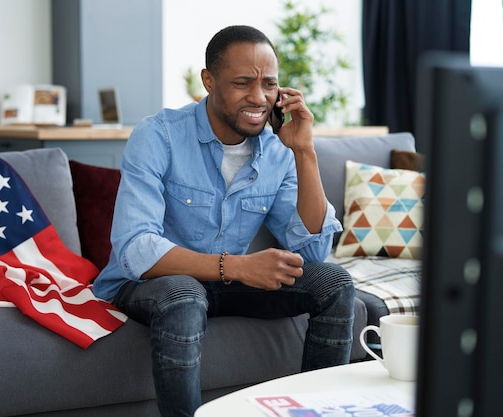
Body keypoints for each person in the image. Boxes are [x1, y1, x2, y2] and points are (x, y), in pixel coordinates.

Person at [92, 25, 355, 417]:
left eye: (269, 84)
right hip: (150, 285)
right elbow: (136, 249)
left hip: (227, 282)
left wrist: (305, 151)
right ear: (209, 81)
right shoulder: (158, 135)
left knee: (335, 284)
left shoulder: (279, 150)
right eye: (242, 83)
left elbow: (314, 251)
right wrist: (239, 266)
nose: (259, 97)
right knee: (184, 294)